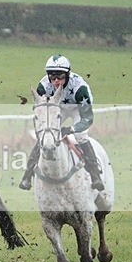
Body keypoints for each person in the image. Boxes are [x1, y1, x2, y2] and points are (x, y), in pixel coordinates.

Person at [19, 54, 105, 191]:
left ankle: (95, 175)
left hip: (78, 107)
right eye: (52, 77)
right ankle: (27, 175)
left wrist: (71, 129)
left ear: (68, 74)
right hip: (58, 107)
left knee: (80, 136)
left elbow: (88, 119)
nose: (56, 81)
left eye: (60, 77)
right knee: (45, 135)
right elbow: (42, 111)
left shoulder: (80, 88)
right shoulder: (43, 86)